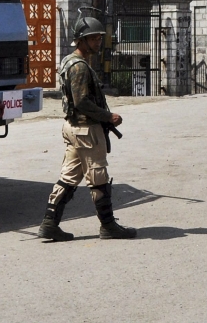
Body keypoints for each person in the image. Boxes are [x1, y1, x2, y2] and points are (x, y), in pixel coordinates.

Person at [38, 15, 137, 242]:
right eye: (93, 38)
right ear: (80, 40)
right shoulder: (80, 67)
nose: (98, 42)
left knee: (69, 176)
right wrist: (108, 116)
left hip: (74, 128)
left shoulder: (68, 61)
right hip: (86, 130)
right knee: (98, 176)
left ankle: (49, 223)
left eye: (99, 38)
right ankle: (109, 226)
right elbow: (82, 102)